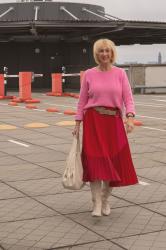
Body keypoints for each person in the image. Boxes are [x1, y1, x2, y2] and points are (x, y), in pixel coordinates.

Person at [73, 38, 138, 217]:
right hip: (93, 122)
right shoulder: (89, 74)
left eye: (107, 51)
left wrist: (130, 118)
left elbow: (128, 98)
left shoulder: (120, 74)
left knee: (113, 162)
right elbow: (82, 101)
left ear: (112, 53)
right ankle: (96, 203)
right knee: (95, 162)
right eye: (101, 51)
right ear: (96, 54)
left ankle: (105, 198)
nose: (104, 54)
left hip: (114, 122)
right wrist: (77, 123)